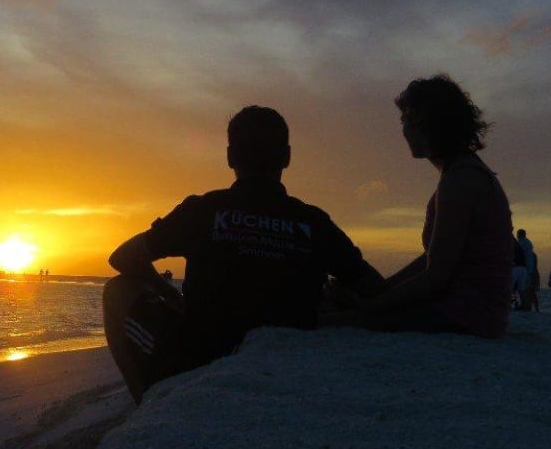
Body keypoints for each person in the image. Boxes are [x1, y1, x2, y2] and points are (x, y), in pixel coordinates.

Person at [102, 105, 384, 403]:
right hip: (285, 357)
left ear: (230, 157)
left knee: (117, 290)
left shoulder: (202, 210)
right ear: (286, 157)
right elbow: (373, 287)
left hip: (200, 356)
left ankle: (146, 403)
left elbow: (121, 258)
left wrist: (169, 293)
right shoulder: (314, 222)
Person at [336, 75, 513, 338]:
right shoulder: (462, 173)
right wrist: (382, 291)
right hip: (472, 310)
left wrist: (371, 305)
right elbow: (433, 259)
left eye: (407, 119)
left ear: (429, 124)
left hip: (466, 314)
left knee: (334, 320)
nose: (404, 129)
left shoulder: (460, 180)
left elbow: (435, 276)